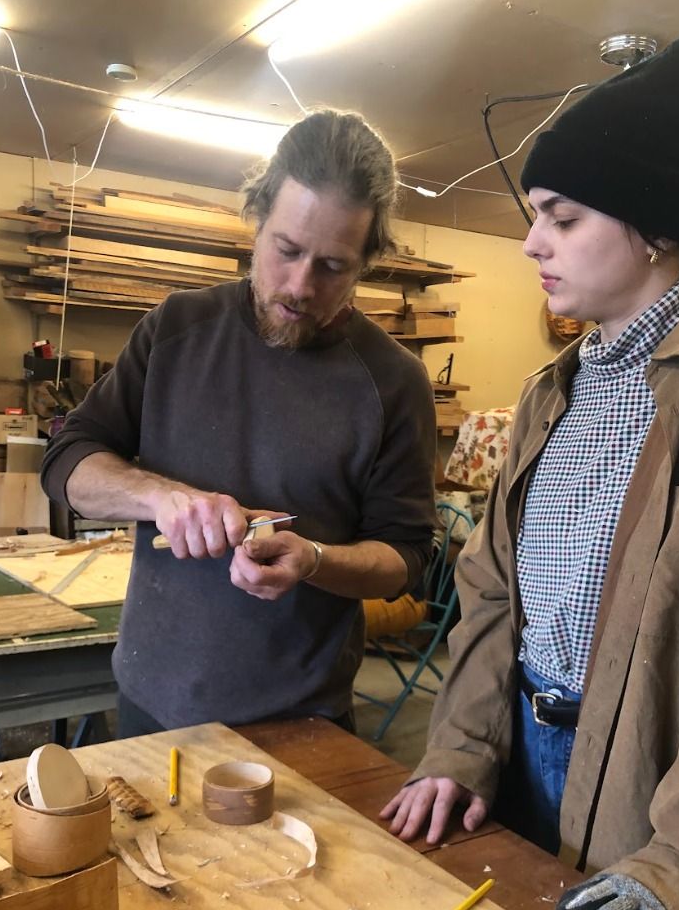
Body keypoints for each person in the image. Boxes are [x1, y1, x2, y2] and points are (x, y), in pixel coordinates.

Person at [382, 36, 679, 910]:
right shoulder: (549, 392)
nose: (531, 241)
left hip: (658, 790)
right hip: (518, 761)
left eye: (561, 217)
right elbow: (489, 597)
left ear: (654, 229)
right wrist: (462, 747)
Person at [41, 109, 437, 736]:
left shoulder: (394, 382)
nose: (301, 285)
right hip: (152, 697)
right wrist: (162, 497)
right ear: (256, 223)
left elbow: (408, 558)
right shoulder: (176, 328)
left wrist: (314, 559)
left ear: (367, 260)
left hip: (302, 719)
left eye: (333, 266)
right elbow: (66, 460)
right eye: (286, 250)